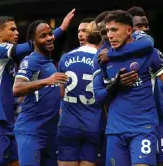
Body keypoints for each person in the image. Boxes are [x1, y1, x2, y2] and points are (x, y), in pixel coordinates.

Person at [0, 10, 74, 166]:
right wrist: (59, 30)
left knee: (15, 163)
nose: (16, 33)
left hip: (5, 120)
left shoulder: (6, 57)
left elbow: (36, 42)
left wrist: (54, 33)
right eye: (12, 29)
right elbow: (32, 44)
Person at [93, 10, 163, 166]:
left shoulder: (149, 53)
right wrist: (116, 85)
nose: (109, 35)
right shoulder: (101, 58)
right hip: (115, 130)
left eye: (114, 30)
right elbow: (98, 98)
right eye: (107, 31)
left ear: (129, 30)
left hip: (144, 127)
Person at [12, 20, 69, 166]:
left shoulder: (48, 62)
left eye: (50, 34)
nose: (49, 38)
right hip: (31, 132)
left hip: (49, 133)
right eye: (43, 36)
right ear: (33, 41)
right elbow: (17, 89)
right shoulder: (30, 60)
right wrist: (46, 81)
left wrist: (62, 28)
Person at [57, 21, 103, 166]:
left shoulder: (66, 57)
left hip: (68, 123)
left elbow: (61, 93)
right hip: (93, 124)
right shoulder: (104, 59)